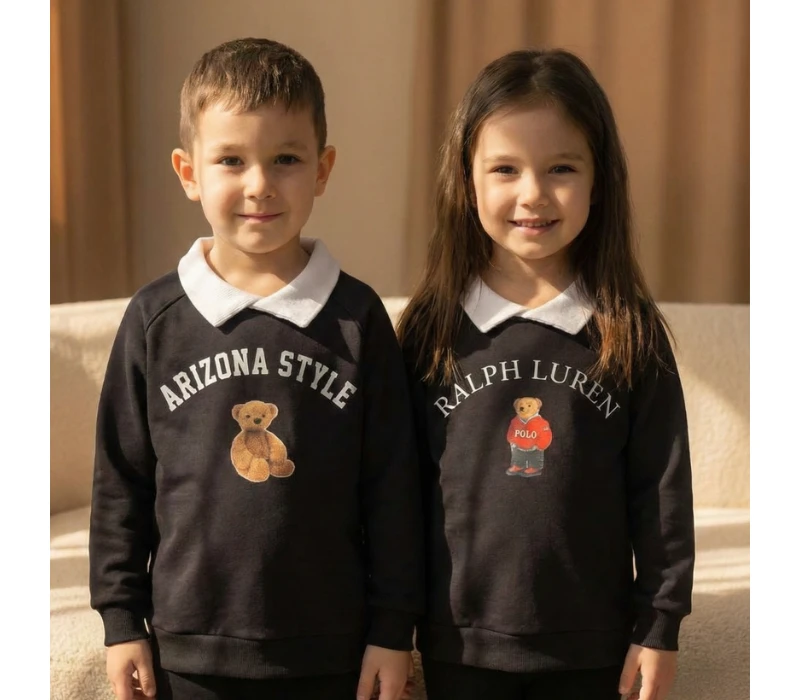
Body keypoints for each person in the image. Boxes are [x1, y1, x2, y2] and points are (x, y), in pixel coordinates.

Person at [89, 37, 423, 700]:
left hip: (330, 649)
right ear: (189, 172)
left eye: (286, 159)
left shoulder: (357, 320)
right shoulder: (155, 321)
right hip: (189, 650)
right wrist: (121, 620)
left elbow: (394, 487)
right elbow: (120, 481)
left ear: (323, 169)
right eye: (231, 160)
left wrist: (393, 628)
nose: (259, 184)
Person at [396, 48, 695, 700]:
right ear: (466, 180)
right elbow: (395, 492)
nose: (532, 194)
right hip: (458, 647)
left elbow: (662, 492)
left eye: (561, 167)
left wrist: (660, 624)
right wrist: (391, 628)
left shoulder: (630, 331)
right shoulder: (429, 330)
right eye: (505, 168)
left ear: (599, 180)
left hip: (593, 650)